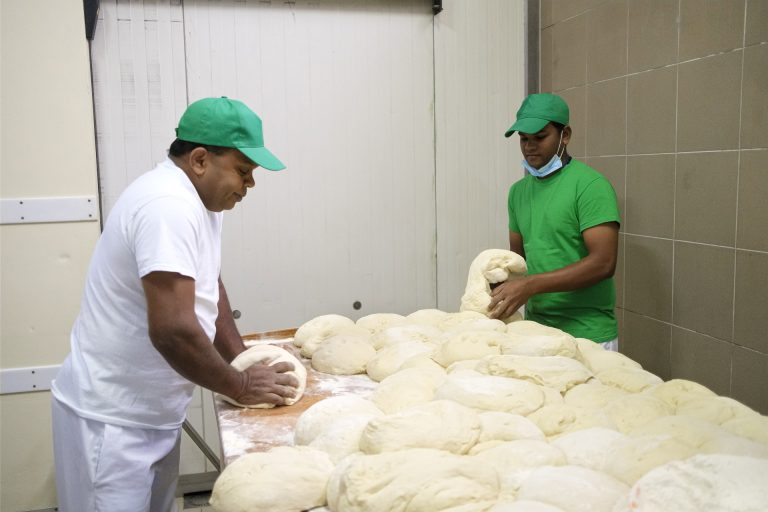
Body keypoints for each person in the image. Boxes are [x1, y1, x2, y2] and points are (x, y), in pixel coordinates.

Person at [50, 97, 299, 512]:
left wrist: (240, 357)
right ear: (200, 159)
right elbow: (172, 329)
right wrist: (239, 385)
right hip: (111, 423)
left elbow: (208, 284)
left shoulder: (201, 202)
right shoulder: (167, 206)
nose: (249, 184)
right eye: (243, 171)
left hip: (151, 412)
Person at [488, 93, 621, 350]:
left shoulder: (590, 186)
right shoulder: (518, 192)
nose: (530, 146)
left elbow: (604, 263)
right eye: (523, 139)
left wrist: (530, 285)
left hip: (587, 334)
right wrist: (498, 282)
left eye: (540, 137)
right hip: (536, 331)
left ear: (565, 135)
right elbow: (520, 261)